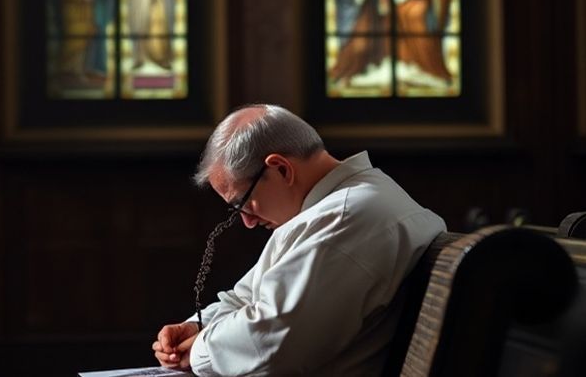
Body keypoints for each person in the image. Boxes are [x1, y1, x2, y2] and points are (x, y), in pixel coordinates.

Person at [152, 104, 445, 376]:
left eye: (243, 203)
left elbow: (273, 339)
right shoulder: (338, 206)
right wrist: (197, 326)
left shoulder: (343, 218)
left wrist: (200, 348)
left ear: (280, 168)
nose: (248, 222)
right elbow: (247, 297)